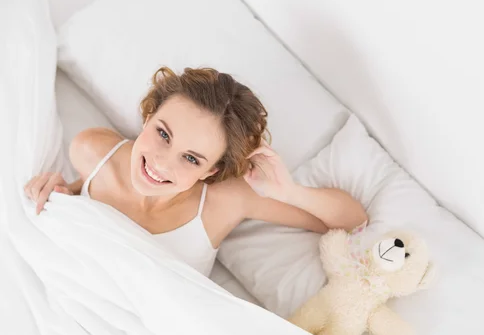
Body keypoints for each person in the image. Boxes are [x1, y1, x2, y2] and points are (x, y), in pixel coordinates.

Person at [23, 67, 368, 276]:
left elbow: (353, 220)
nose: (161, 163)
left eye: (191, 159)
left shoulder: (225, 201)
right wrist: (62, 195)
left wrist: (289, 192)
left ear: (211, 170)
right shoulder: (92, 150)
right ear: (148, 115)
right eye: (162, 134)